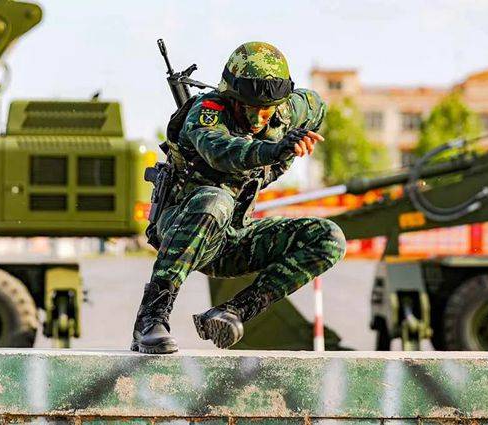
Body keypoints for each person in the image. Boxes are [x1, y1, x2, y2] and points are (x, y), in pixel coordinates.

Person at [131, 42, 347, 354]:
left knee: (330, 238)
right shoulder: (206, 113)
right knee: (215, 200)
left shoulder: (285, 109)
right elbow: (222, 152)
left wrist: (293, 145)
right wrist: (275, 151)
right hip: (184, 231)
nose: (260, 118)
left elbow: (317, 105)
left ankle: (233, 312)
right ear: (232, 97)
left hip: (234, 239)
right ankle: (151, 318)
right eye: (250, 108)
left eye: (267, 109)